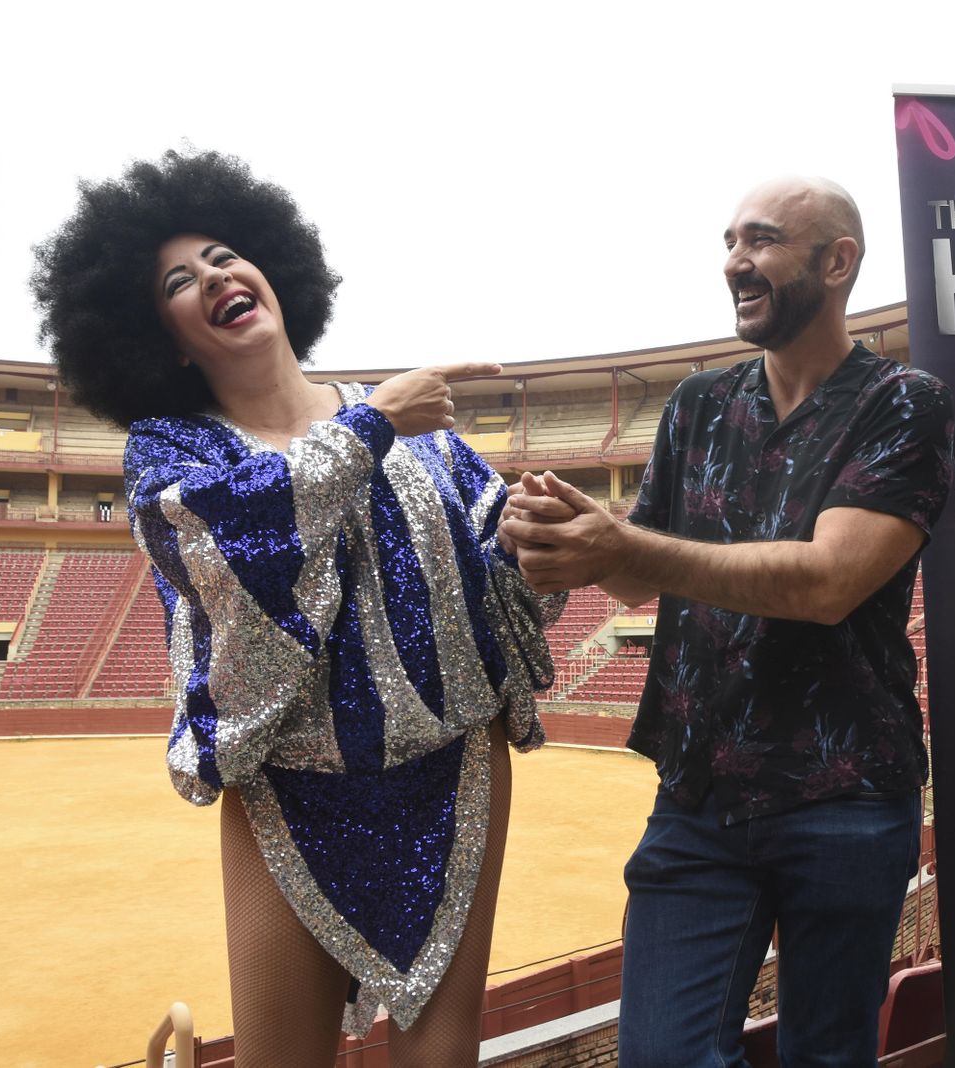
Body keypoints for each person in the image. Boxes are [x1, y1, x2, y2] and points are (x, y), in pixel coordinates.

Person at [31, 149, 566, 1068]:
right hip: (289, 797)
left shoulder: (410, 423)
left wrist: (539, 540)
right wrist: (371, 427)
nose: (215, 277)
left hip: (456, 780)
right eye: (178, 281)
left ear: (272, 271)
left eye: (226, 256)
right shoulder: (173, 451)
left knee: (443, 1060)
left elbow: (498, 591)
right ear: (160, 335)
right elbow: (244, 545)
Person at [502, 177, 955, 1066]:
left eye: (762, 239)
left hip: (848, 794)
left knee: (827, 1057)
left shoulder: (905, 402)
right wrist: (575, 540)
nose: (734, 262)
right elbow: (637, 583)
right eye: (729, 240)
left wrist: (627, 543)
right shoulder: (698, 405)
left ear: (837, 261)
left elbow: (829, 581)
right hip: (698, 795)